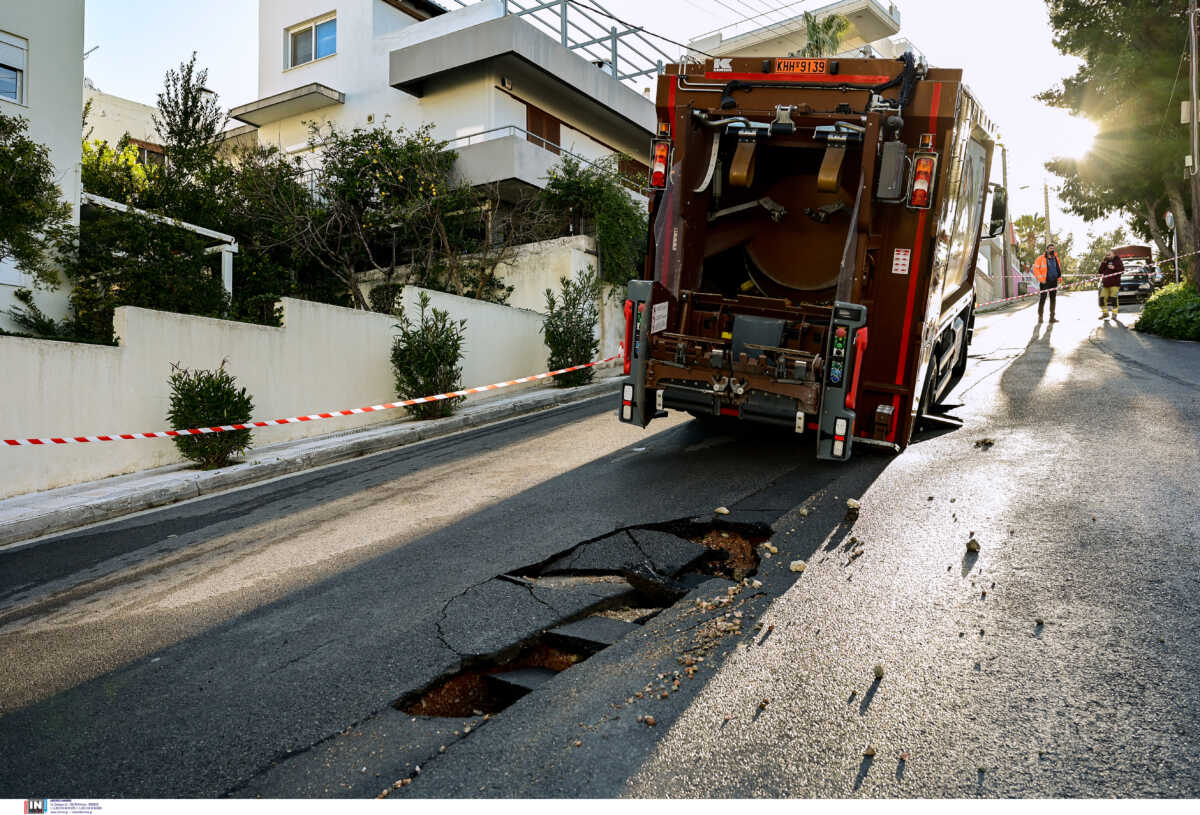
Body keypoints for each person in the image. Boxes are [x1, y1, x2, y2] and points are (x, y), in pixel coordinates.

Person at [1032, 244, 1064, 323]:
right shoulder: (1041, 258)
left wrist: (1059, 278)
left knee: (1053, 300)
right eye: (1050, 248)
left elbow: (1058, 269)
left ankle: (1052, 318)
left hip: (1054, 282)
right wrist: (1041, 280)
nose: (1052, 250)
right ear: (1047, 249)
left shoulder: (1056, 258)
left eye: (1053, 248)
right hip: (1045, 282)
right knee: (1042, 299)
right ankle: (1040, 317)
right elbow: (1035, 269)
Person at [1097, 249, 1124, 320]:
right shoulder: (1105, 261)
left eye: (1109, 254)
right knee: (1101, 299)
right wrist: (1104, 262)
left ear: (1113, 254)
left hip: (1115, 284)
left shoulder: (1117, 260)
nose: (1107, 256)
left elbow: (1122, 270)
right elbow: (1100, 271)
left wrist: (1114, 268)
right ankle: (1105, 313)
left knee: (1113, 299)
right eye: (1106, 255)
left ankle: (1114, 314)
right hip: (1106, 284)